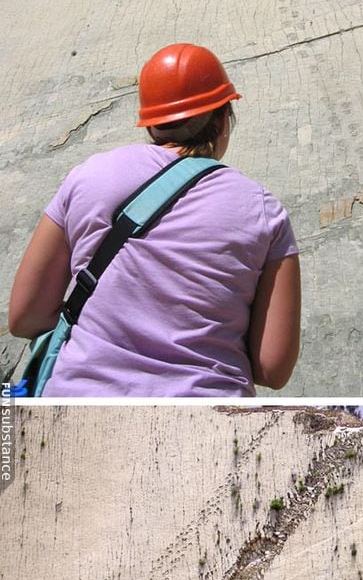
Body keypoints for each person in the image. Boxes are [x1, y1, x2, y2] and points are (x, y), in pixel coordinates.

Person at [9, 43, 301, 397]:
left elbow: (25, 317)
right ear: (224, 118)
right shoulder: (264, 210)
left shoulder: (88, 177)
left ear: (150, 126)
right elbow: (273, 368)